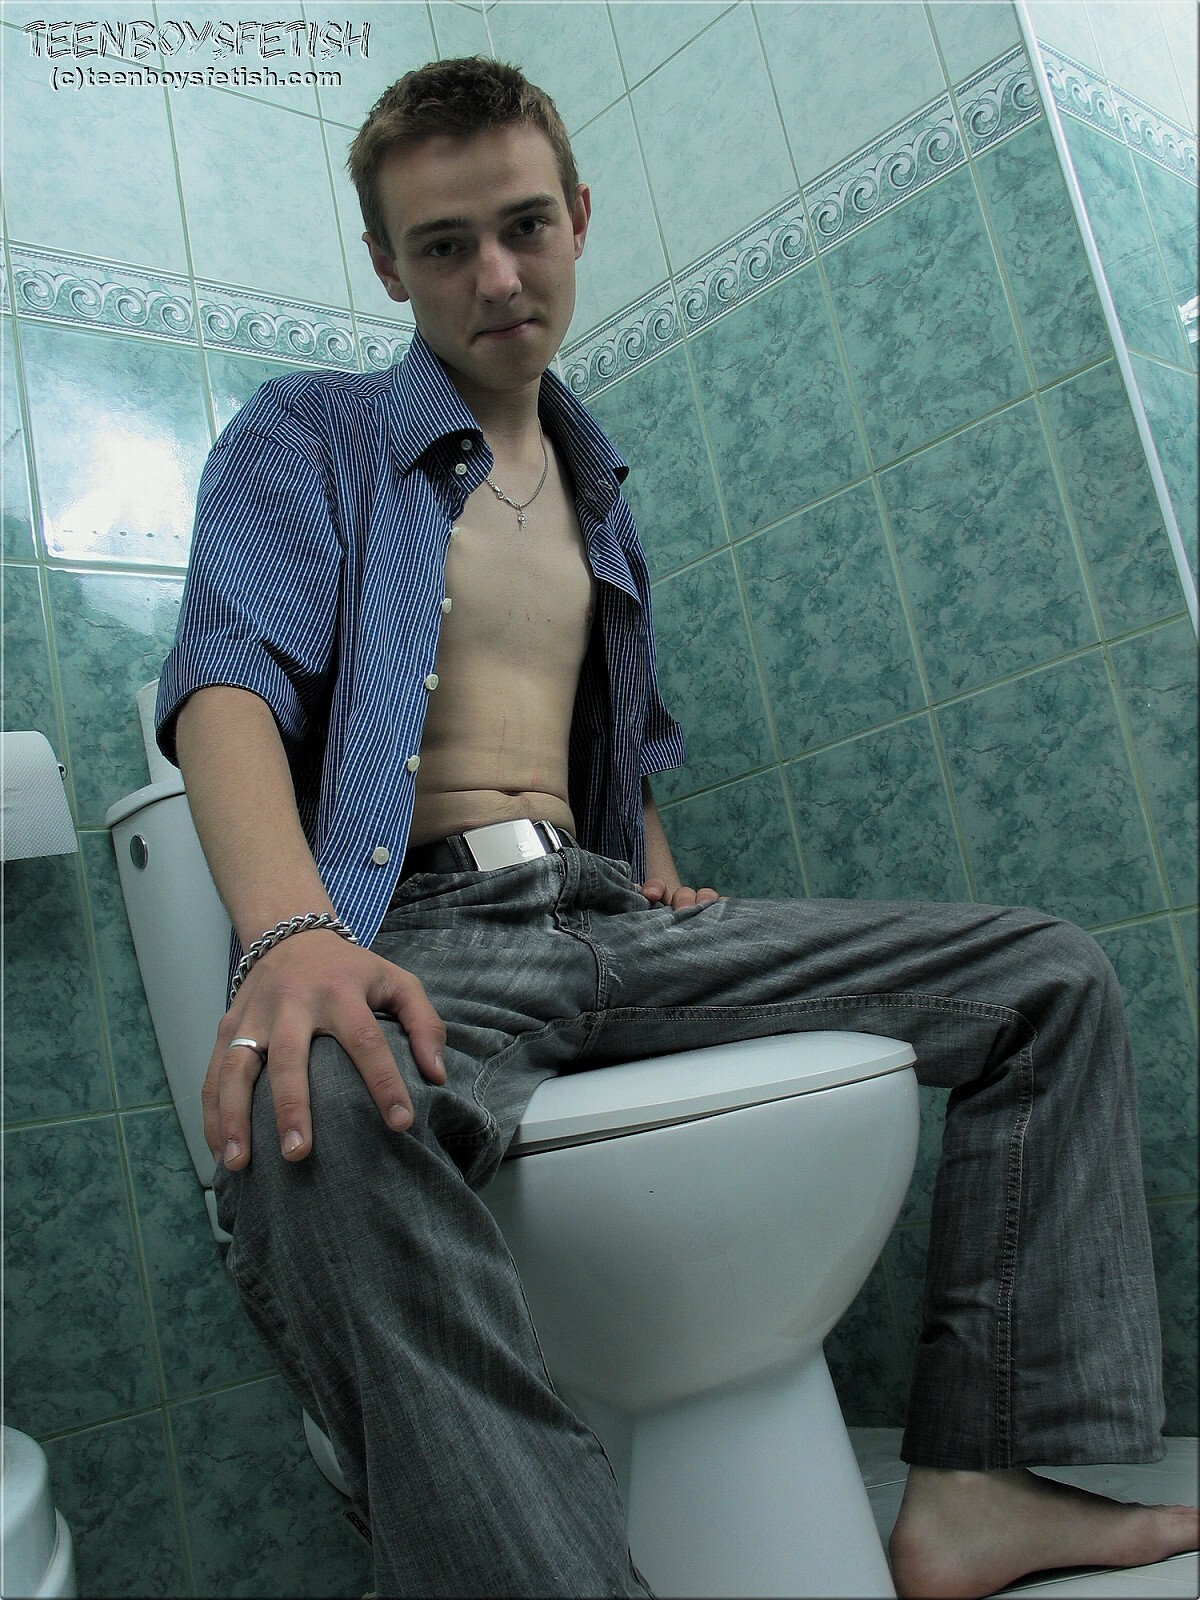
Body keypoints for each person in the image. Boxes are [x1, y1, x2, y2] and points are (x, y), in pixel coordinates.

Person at [156, 56, 1198, 1600]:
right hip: (425, 936)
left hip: (610, 920)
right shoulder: (311, 434)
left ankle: (981, 1491)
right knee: (317, 1111)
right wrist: (291, 932)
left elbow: (616, 734)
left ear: (578, 218)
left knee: (1044, 979)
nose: (496, 275)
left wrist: (652, 872)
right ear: (386, 264)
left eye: (525, 226)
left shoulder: (599, 487)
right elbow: (226, 680)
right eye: (445, 244)